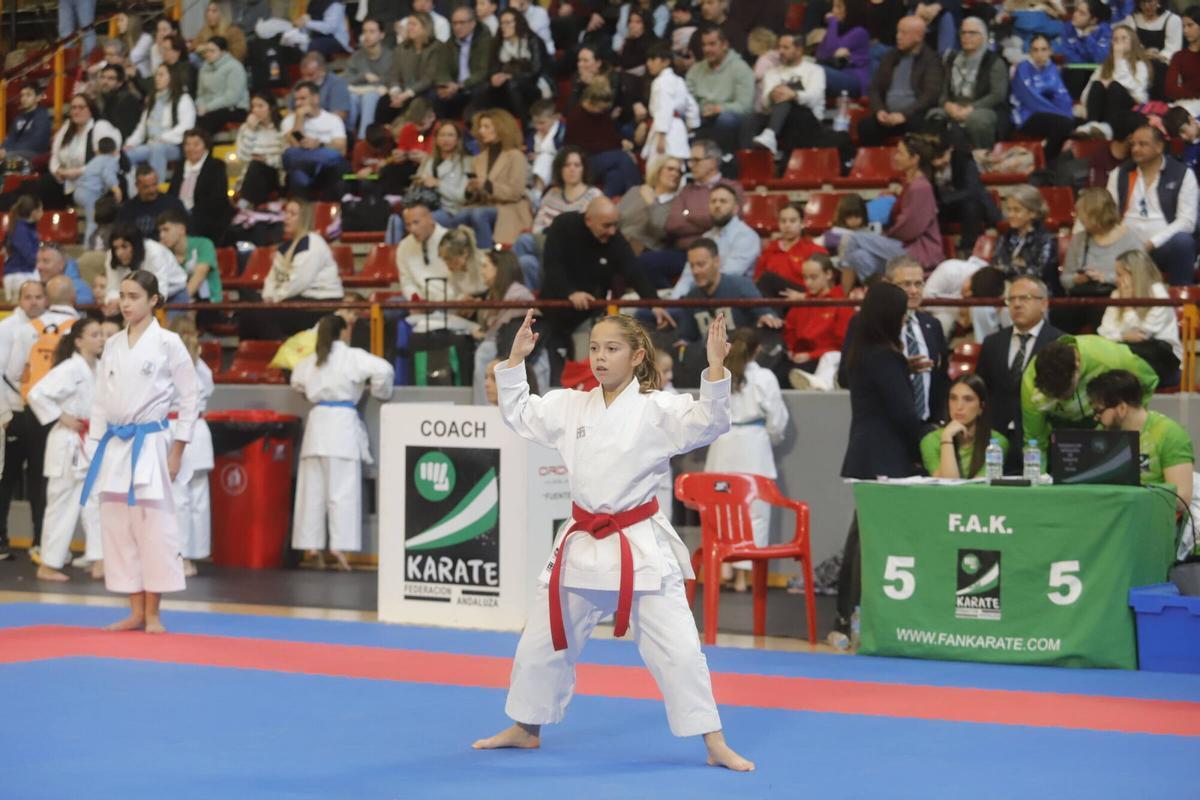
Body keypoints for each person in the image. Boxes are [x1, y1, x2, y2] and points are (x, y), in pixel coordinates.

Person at [474, 308, 753, 772]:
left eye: (612, 349)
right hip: (582, 542)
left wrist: (716, 367)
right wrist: (516, 358)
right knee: (541, 644)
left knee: (680, 650)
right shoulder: (569, 405)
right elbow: (520, 412)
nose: (600, 358)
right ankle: (526, 728)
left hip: (638, 545)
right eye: (595, 349)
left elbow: (709, 420)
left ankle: (714, 741)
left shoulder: (656, 408)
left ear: (637, 355)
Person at [82, 269, 199, 633]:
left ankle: (153, 614)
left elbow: (190, 396)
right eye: (123, 295)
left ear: (153, 301)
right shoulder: (114, 343)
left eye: (134, 296)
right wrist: (93, 446)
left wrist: (178, 448)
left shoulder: (168, 343)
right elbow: (101, 401)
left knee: (155, 530)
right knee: (118, 529)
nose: (125, 303)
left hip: (150, 444)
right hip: (114, 445)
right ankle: (134, 611)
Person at [837, 282, 924, 628]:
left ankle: (846, 613)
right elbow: (903, 414)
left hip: (865, 454)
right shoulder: (885, 358)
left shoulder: (862, 352)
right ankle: (858, 613)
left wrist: (903, 369)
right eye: (902, 314)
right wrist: (930, 441)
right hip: (886, 459)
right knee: (873, 541)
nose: (905, 320)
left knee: (860, 536)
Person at [290, 314, 393, 571]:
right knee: (342, 491)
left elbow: (296, 382)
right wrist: (380, 392)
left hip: (317, 423)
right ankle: (339, 546)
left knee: (311, 491)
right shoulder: (352, 356)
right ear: (343, 332)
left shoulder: (311, 360)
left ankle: (310, 546)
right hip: (341, 427)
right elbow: (384, 370)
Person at [703, 327, 787, 593]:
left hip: (722, 443)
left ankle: (723, 566)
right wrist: (770, 436)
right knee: (755, 513)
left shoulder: (720, 373)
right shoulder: (764, 377)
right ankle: (743, 577)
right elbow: (777, 420)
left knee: (720, 508)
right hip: (754, 444)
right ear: (758, 349)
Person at [539, 199, 657, 372]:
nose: (612, 231)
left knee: (586, 369)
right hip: (553, 312)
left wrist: (654, 303)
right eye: (606, 226)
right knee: (552, 368)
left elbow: (633, 269)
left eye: (615, 225)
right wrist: (570, 292)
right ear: (588, 220)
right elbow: (552, 264)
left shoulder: (614, 238)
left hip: (588, 316)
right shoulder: (564, 226)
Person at [28, 317, 105, 582]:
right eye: (95, 335)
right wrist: (62, 416)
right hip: (68, 441)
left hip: (91, 442)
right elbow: (36, 394)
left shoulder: (100, 367)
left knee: (96, 502)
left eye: (101, 335)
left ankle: (99, 560)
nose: (101, 339)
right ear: (79, 341)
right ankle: (48, 564)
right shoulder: (70, 368)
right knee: (61, 505)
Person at [975, 276, 1063, 472]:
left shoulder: (1060, 342)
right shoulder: (992, 343)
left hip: (1039, 440)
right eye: (1011, 299)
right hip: (996, 442)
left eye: (1025, 298)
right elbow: (981, 389)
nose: (1017, 304)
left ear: (1044, 304)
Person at [1023, 334, 1159, 452]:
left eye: (1065, 392)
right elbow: (1035, 441)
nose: (1061, 399)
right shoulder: (1030, 385)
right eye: (1054, 396)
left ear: (1077, 367)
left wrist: (1131, 419)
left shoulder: (1112, 360)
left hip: (1109, 426)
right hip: (1059, 433)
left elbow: (1150, 381)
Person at [840, 134, 944, 283]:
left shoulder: (920, 187)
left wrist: (884, 235)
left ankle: (844, 300)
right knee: (859, 257)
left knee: (853, 238)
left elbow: (910, 228)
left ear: (914, 159)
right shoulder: (910, 184)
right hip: (902, 244)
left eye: (900, 153)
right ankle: (877, 292)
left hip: (916, 249)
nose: (896, 157)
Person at [1105, 124, 1198, 286]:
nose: (1135, 149)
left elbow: (1187, 222)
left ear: (1159, 147)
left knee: (1183, 241)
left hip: (1163, 247)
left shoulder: (1183, 174)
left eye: (1143, 144)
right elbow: (1109, 215)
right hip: (1125, 247)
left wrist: (1151, 243)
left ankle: (1181, 302)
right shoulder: (1119, 174)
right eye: (1133, 144)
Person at [1087, 369, 1193, 510]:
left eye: (1099, 411)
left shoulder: (1169, 434)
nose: (1096, 418)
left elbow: (1182, 497)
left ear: (1122, 408)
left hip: (1153, 517)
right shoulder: (1103, 433)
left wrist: (1133, 499)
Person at [656, 237, 783, 342]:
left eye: (700, 265)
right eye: (692, 266)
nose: (695, 271)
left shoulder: (740, 286)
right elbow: (686, 337)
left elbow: (765, 314)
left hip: (740, 358)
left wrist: (768, 318)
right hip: (707, 362)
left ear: (716, 261)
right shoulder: (691, 296)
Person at [515, 146, 605, 290]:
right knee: (525, 262)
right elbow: (537, 226)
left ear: (583, 169)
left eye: (577, 165)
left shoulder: (594, 195)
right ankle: (526, 303)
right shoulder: (552, 194)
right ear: (560, 169)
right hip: (545, 248)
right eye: (567, 165)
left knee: (524, 240)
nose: (572, 169)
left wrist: (554, 233)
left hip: (574, 252)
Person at [1059, 188, 1145, 332]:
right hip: (1082, 297)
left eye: (1083, 214)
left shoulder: (1130, 239)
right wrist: (1077, 279)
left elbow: (1141, 277)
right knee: (1059, 313)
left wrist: (1106, 278)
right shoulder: (1079, 239)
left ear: (1096, 214)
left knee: (1101, 312)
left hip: (1115, 297)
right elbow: (1065, 279)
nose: (1079, 218)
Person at [166, 317, 213, 578]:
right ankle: (194, 553)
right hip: (199, 430)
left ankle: (180, 556)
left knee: (179, 499)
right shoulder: (201, 365)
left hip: (178, 430)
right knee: (197, 497)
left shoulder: (170, 363)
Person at [256, 199, 344, 338]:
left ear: (304, 218)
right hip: (295, 300)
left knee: (263, 316)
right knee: (252, 311)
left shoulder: (312, 242)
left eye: (292, 214)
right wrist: (267, 297)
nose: (286, 218)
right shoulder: (285, 247)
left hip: (321, 304)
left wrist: (275, 300)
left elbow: (298, 282)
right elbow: (272, 278)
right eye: (286, 213)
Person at [472, 249, 547, 404]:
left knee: (485, 350)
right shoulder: (493, 294)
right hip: (502, 345)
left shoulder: (518, 295)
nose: (481, 272)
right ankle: (483, 407)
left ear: (499, 269)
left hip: (518, 349)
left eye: (485, 266)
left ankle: (485, 405)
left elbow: (517, 329)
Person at [1098, 248, 1181, 385]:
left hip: (1161, 363)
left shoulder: (1158, 295)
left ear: (1135, 275)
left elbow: (1142, 336)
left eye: (1119, 274)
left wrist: (1127, 305)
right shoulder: (1116, 294)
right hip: (1125, 360)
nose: (1116, 279)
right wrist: (1123, 336)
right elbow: (1103, 332)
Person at [926, 17, 1009, 151]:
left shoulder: (994, 61)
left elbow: (997, 95)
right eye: (963, 33)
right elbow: (944, 90)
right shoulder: (951, 59)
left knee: (977, 120)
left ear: (983, 36)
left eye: (971, 33)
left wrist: (971, 108)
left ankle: (982, 158)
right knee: (934, 115)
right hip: (955, 105)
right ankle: (938, 160)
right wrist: (947, 105)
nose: (966, 37)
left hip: (984, 108)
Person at [858, 16, 943, 147]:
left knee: (921, 125)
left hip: (913, 116)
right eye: (898, 32)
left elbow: (930, 95)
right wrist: (880, 110)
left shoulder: (931, 60)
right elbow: (874, 88)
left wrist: (904, 115)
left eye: (904, 33)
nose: (898, 36)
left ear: (918, 37)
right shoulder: (890, 56)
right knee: (865, 126)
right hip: (887, 115)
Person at [670, 185, 761, 298]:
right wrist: (674, 302)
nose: (717, 205)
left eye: (723, 201)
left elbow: (726, 275)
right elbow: (688, 276)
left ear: (735, 208)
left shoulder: (746, 236)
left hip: (735, 299)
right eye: (713, 201)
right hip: (702, 297)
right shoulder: (706, 237)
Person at [38, 95, 122, 210]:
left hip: (91, 179)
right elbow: (54, 154)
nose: (76, 111)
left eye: (81, 107)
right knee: (45, 183)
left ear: (90, 110)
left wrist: (76, 172)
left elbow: (105, 161)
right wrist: (56, 171)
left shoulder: (100, 127)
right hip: (67, 179)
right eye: (73, 108)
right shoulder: (67, 127)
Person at [783, 254, 853, 390]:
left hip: (820, 358)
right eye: (805, 278)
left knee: (788, 375)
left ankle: (818, 383)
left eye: (813, 277)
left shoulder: (842, 304)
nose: (808, 283)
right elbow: (789, 331)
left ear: (828, 274)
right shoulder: (801, 303)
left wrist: (811, 355)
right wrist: (790, 350)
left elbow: (843, 345)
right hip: (796, 357)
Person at [749, 33, 826, 157]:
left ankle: (771, 134)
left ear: (799, 50)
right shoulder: (772, 73)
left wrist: (794, 95)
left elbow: (815, 98)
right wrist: (771, 95)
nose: (780, 51)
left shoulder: (815, 70)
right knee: (750, 119)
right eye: (779, 47)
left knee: (791, 90)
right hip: (780, 119)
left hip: (808, 119)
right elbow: (764, 102)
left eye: (786, 48)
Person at [921, 375, 1008, 478]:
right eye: (953, 398)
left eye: (968, 399)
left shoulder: (996, 442)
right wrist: (947, 438)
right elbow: (947, 484)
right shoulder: (930, 440)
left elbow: (979, 489)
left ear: (981, 407)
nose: (959, 406)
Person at [618, 156, 685, 288]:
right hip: (620, 244)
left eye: (679, 172)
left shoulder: (678, 203)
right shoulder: (636, 191)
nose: (675, 174)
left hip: (648, 251)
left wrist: (652, 203)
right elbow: (616, 217)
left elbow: (660, 230)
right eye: (670, 169)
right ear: (658, 171)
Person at [664, 140, 745, 250]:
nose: (691, 165)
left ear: (713, 162)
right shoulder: (686, 190)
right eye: (690, 161)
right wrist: (710, 222)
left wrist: (688, 215)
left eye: (696, 160)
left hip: (718, 252)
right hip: (683, 252)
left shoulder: (733, 188)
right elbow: (672, 224)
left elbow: (728, 222)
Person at [685, 27, 754, 153]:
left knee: (725, 119)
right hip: (702, 116)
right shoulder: (695, 70)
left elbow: (745, 106)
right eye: (704, 45)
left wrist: (720, 108)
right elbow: (687, 99)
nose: (706, 49)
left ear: (725, 45)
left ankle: (723, 159)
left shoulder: (741, 69)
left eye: (712, 44)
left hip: (729, 119)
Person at [467, 109, 531, 247]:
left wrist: (488, 186)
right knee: (459, 215)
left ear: (501, 128)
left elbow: (515, 193)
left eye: (486, 127)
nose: (481, 131)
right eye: (480, 127)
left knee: (478, 214)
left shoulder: (515, 156)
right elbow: (476, 195)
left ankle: (486, 256)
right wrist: (471, 190)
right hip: (485, 204)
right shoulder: (478, 159)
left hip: (509, 208)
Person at [375, 12, 452, 126]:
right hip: (403, 90)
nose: (409, 27)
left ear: (425, 27)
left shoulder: (437, 47)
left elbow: (428, 78)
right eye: (408, 24)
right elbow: (394, 74)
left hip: (426, 90)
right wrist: (395, 92)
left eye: (414, 24)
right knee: (384, 102)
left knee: (418, 101)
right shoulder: (402, 48)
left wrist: (406, 94)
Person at [124, 64, 196, 184]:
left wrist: (163, 138)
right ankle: (135, 190)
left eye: (161, 75)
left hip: (174, 145)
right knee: (125, 155)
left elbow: (187, 126)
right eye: (156, 75)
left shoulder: (183, 99)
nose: (157, 78)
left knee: (157, 149)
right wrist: (130, 143)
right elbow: (142, 128)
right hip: (151, 144)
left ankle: (156, 188)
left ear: (172, 77)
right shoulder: (153, 100)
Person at [1080, 25, 1152, 139]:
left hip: (1128, 108)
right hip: (1104, 107)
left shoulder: (1140, 65)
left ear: (1133, 41)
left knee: (1115, 86)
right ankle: (1091, 126)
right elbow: (1087, 92)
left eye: (1124, 38)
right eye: (1115, 39)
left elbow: (1131, 88)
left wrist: (1118, 58)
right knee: (1098, 84)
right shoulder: (1105, 65)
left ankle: (1108, 129)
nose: (1119, 42)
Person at [281, 81, 348, 197]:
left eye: (303, 99)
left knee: (336, 160)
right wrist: (299, 118)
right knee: (290, 156)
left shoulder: (333, 120)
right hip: (302, 163)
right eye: (296, 100)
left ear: (316, 98)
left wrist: (319, 144)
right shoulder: (289, 121)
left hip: (326, 169)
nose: (298, 103)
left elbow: (342, 150)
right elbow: (295, 145)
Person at [102, 224, 189, 313]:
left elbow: (161, 290)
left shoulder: (155, 252)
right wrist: (113, 301)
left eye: (124, 246)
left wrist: (129, 301)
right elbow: (113, 288)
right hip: (136, 299)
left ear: (136, 245)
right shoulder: (111, 256)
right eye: (116, 248)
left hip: (174, 293)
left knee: (172, 326)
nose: (119, 252)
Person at [167, 128, 233, 246]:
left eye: (196, 144)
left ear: (205, 146)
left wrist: (189, 214)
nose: (191, 148)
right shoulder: (181, 166)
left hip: (207, 217)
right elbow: (172, 194)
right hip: (181, 214)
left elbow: (217, 200)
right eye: (187, 144)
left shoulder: (216, 165)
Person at [991, 185, 1061, 292]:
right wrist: (1019, 266)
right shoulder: (1005, 237)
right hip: (1008, 289)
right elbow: (996, 266)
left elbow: (1037, 274)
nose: (1010, 215)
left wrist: (1008, 268)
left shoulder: (1045, 240)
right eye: (1009, 209)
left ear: (1033, 213)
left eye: (1017, 210)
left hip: (1038, 294)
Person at [754, 202, 828, 296]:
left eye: (792, 221)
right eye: (783, 221)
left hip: (803, 297)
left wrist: (804, 297)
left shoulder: (815, 250)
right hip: (774, 298)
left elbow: (826, 286)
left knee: (768, 278)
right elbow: (757, 280)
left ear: (802, 223)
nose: (787, 225)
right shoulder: (769, 250)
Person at [435, 6, 492, 121]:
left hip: (475, 85)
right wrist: (446, 84)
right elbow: (441, 69)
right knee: (435, 96)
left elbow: (483, 72)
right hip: (455, 87)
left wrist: (461, 85)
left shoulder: (486, 42)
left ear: (472, 23)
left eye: (461, 23)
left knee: (479, 93)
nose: (457, 27)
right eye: (454, 23)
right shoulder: (449, 44)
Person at [157, 209, 221, 307]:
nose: (162, 235)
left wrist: (176, 306)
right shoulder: (164, 253)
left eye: (166, 229)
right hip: (175, 305)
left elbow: (199, 276)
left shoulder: (204, 244)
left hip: (207, 305)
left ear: (182, 229)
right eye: (160, 231)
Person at [344, 18, 394, 138]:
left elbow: (388, 81)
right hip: (359, 92)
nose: (367, 36)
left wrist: (367, 87)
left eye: (372, 32)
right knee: (351, 96)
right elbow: (346, 79)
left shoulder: (390, 56)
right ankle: (348, 135)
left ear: (381, 35)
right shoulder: (357, 55)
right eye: (364, 31)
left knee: (369, 96)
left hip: (380, 95)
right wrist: (364, 76)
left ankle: (363, 137)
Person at [234, 92, 286, 207]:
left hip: (276, 174)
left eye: (260, 106)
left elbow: (286, 158)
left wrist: (266, 160)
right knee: (255, 166)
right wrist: (251, 130)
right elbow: (243, 157)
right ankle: (250, 209)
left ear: (271, 108)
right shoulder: (245, 128)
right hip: (251, 176)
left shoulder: (283, 127)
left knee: (257, 166)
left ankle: (243, 205)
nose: (255, 110)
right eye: (253, 106)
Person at [115, 166, 188, 241]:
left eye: (154, 184)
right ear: (137, 186)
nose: (152, 190)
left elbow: (187, 229)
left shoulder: (173, 204)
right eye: (146, 187)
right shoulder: (127, 209)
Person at [195, 37, 250, 135]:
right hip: (208, 108)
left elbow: (231, 98)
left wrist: (207, 107)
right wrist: (200, 106)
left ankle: (205, 149)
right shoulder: (204, 68)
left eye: (212, 51)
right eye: (206, 51)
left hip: (233, 108)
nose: (208, 54)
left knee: (206, 121)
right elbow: (200, 94)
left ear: (223, 52)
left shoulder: (234, 67)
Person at [815, 0, 870, 98]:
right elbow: (819, 55)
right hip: (836, 73)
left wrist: (832, 22)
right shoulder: (837, 30)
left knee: (817, 71)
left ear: (851, 10)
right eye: (833, 7)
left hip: (854, 78)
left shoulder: (860, 32)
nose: (833, 11)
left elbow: (829, 52)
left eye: (838, 7)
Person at [73, 136, 122, 244]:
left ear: (98, 150)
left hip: (78, 191)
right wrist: (116, 189)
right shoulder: (111, 160)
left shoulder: (94, 160)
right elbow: (108, 175)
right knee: (93, 222)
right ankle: (88, 247)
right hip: (89, 192)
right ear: (115, 151)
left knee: (91, 221)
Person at [0, 84, 52, 164]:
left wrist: (8, 151)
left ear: (38, 98)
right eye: (22, 95)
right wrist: (3, 149)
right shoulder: (18, 118)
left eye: (28, 95)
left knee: (8, 157)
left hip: (33, 154)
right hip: (15, 152)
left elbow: (37, 143)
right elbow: (10, 138)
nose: (24, 98)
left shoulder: (42, 116)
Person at [4, 196, 42, 299]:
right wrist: (42, 262)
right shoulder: (21, 231)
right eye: (40, 210)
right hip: (20, 277)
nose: (42, 213)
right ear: (34, 212)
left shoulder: (26, 228)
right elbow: (29, 256)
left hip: (25, 273)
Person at [94, 65, 143, 144]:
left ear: (120, 82)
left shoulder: (127, 100)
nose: (105, 82)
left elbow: (125, 132)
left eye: (110, 78)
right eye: (103, 77)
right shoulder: (106, 98)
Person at [1127, 0, 1182, 67]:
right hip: (1138, 64)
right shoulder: (1132, 18)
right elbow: (1128, 45)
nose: (1146, 6)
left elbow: (1173, 50)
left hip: (1163, 66)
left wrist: (1157, 56)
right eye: (1143, 2)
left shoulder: (1172, 19)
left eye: (1150, 1)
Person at [1164, 8, 1200, 106]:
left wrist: (1185, 89)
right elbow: (1170, 90)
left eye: (1190, 25)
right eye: (1183, 26)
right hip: (1187, 103)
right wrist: (1196, 93)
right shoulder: (1179, 56)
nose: (1185, 30)